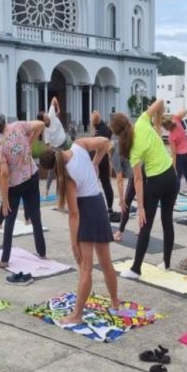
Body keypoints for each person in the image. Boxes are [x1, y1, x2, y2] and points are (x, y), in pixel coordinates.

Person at [39, 137, 119, 323]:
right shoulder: (80, 145)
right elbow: (106, 142)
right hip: (99, 205)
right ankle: (115, 303)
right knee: (106, 264)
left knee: (86, 269)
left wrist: (73, 242)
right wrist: (95, 162)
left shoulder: (68, 177)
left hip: (87, 212)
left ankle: (76, 315)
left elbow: (74, 214)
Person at [110, 100, 178, 278]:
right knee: (167, 221)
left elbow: (138, 180)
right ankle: (167, 264)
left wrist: (140, 208)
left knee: (145, 225)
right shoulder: (141, 120)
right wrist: (157, 125)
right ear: (127, 121)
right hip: (171, 176)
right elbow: (160, 102)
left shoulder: (131, 148)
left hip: (156, 182)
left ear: (117, 134)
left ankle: (136, 269)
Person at [0, 117, 47, 281]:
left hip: (15, 184)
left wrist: (4, 200)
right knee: (35, 215)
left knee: (9, 219)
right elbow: (41, 124)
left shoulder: (0, 145)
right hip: (31, 175)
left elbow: (3, 174)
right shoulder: (18, 126)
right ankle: (42, 252)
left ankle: (5, 259)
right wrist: (31, 141)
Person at [37, 97, 69, 199]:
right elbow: (48, 147)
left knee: (69, 164)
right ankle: (47, 191)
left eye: (47, 116)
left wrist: (58, 109)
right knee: (53, 170)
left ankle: (66, 188)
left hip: (65, 142)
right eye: (46, 118)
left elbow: (54, 99)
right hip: (57, 148)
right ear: (43, 122)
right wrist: (55, 154)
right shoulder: (46, 132)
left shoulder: (51, 113)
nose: (48, 118)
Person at [111, 136, 140, 241]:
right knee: (144, 202)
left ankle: (119, 232)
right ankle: (141, 227)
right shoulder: (119, 141)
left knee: (125, 205)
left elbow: (119, 180)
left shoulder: (114, 155)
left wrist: (121, 198)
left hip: (135, 175)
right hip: (144, 171)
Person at [162, 108, 187, 202]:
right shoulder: (176, 119)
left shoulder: (171, 137)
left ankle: (174, 199)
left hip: (180, 156)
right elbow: (185, 110)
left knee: (178, 177)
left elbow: (174, 154)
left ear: (166, 128)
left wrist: (173, 167)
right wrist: (174, 115)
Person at [90, 111, 114, 213]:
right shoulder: (102, 128)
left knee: (102, 184)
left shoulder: (102, 130)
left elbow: (97, 146)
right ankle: (109, 208)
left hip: (100, 159)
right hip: (102, 159)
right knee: (105, 183)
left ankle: (107, 207)